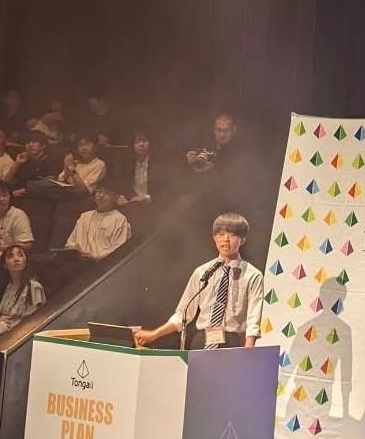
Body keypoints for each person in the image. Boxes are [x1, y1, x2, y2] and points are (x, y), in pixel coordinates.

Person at [134, 213, 263, 350]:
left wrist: (248, 351)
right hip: (202, 341)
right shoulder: (202, 272)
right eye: (221, 234)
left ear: (242, 240)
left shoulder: (252, 275)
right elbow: (183, 314)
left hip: (233, 342)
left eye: (232, 235)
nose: (225, 239)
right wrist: (154, 334)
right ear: (214, 238)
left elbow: (253, 319)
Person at [58, 182, 130, 261]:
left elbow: (119, 250)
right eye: (99, 191)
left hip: (100, 264)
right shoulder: (85, 216)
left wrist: (96, 257)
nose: (101, 195)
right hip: (75, 260)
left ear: (115, 198)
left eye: (107, 193)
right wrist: (73, 250)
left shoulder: (120, 219)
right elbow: (71, 242)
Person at [25, 133, 106, 202]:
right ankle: (28, 190)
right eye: (80, 145)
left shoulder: (99, 164)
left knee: (44, 187)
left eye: (87, 145)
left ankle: (26, 190)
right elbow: (61, 180)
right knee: (48, 184)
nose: (83, 148)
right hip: (66, 189)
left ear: (95, 147)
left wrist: (71, 168)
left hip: (81, 195)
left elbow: (83, 190)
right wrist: (66, 168)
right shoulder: (76, 162)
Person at [9, 131, 61, 196]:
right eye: (27, 142)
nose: (30, 145)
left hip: (40, 198)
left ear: (43, 145)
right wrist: (16, 164)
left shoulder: (51, 161)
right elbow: (6, 183)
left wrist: (25, 190)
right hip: (17, 195)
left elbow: (51, 183)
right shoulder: (22, 160)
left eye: (34, 142)